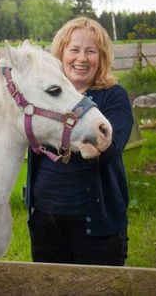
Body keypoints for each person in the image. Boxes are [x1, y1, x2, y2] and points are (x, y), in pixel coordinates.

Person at [26, 17, 133, 266]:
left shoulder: (113, 97)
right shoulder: (44, 96)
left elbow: (111, 149)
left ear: (102, 57)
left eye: (90, 51)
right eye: (74, 50)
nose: (81, 58)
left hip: (95, 227)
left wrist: (96, 140)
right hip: (45, 220)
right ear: (61, 54)